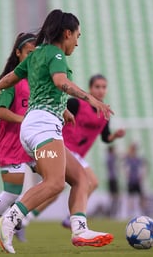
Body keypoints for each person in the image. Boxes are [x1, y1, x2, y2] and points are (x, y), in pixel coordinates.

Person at [0, 9, 114, 253]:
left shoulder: (36, 55)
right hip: (43, 127)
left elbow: (12, 76)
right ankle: (8, 221)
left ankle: (79, 229)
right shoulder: (55, 53)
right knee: (54, 183)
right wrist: (90, 99)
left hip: (35, 127)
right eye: (77, 35)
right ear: (67, 33)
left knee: (81, 178)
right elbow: (60, 82)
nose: (77, 41)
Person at [0, 33, 49, 250]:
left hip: (32, 143)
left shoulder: (38, 80)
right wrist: (23, 120)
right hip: (12, 145)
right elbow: (0, 111)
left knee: (55, 179)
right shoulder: (12, 81)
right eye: (29, 53)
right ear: (18, 53)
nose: (33, 58)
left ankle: (18, 218)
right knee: (11, 193)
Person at [61, 74, 126, 227]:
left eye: (104, 87)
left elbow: (105, 137)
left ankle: (22, 218)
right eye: (97, 87)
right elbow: (60, 114)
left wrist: (114, 136)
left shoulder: (105, 112)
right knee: (90, 181)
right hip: (66, 148)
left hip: (77, 154)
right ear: (90, 88)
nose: (101, 90)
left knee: (57, 186)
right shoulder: (76, 103)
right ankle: (75, 218)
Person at [124, 143, 147, 216]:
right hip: (131, 181)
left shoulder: (138, 159)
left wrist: (142, 177)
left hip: (137, 181)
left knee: (141, 197)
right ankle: (130, 213)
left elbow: (143, 169)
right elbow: (125, 169)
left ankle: (143, 212)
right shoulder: (128, 159)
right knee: (131, 197)